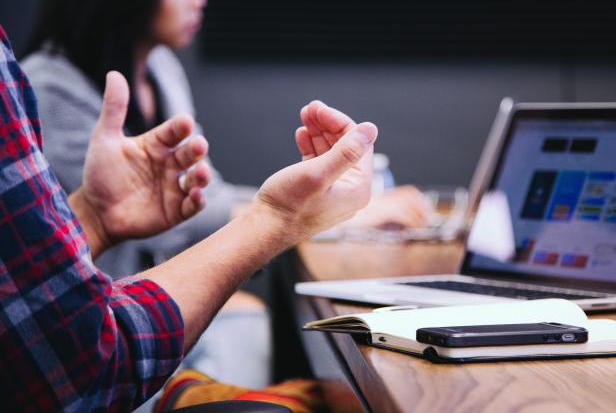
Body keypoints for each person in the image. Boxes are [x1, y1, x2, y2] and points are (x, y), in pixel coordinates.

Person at [0, 24, 378, 411]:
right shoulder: (48, 84)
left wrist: (93, 219)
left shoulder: (162, 66)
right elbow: (83, 363)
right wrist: (279, 217)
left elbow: (21, 279)